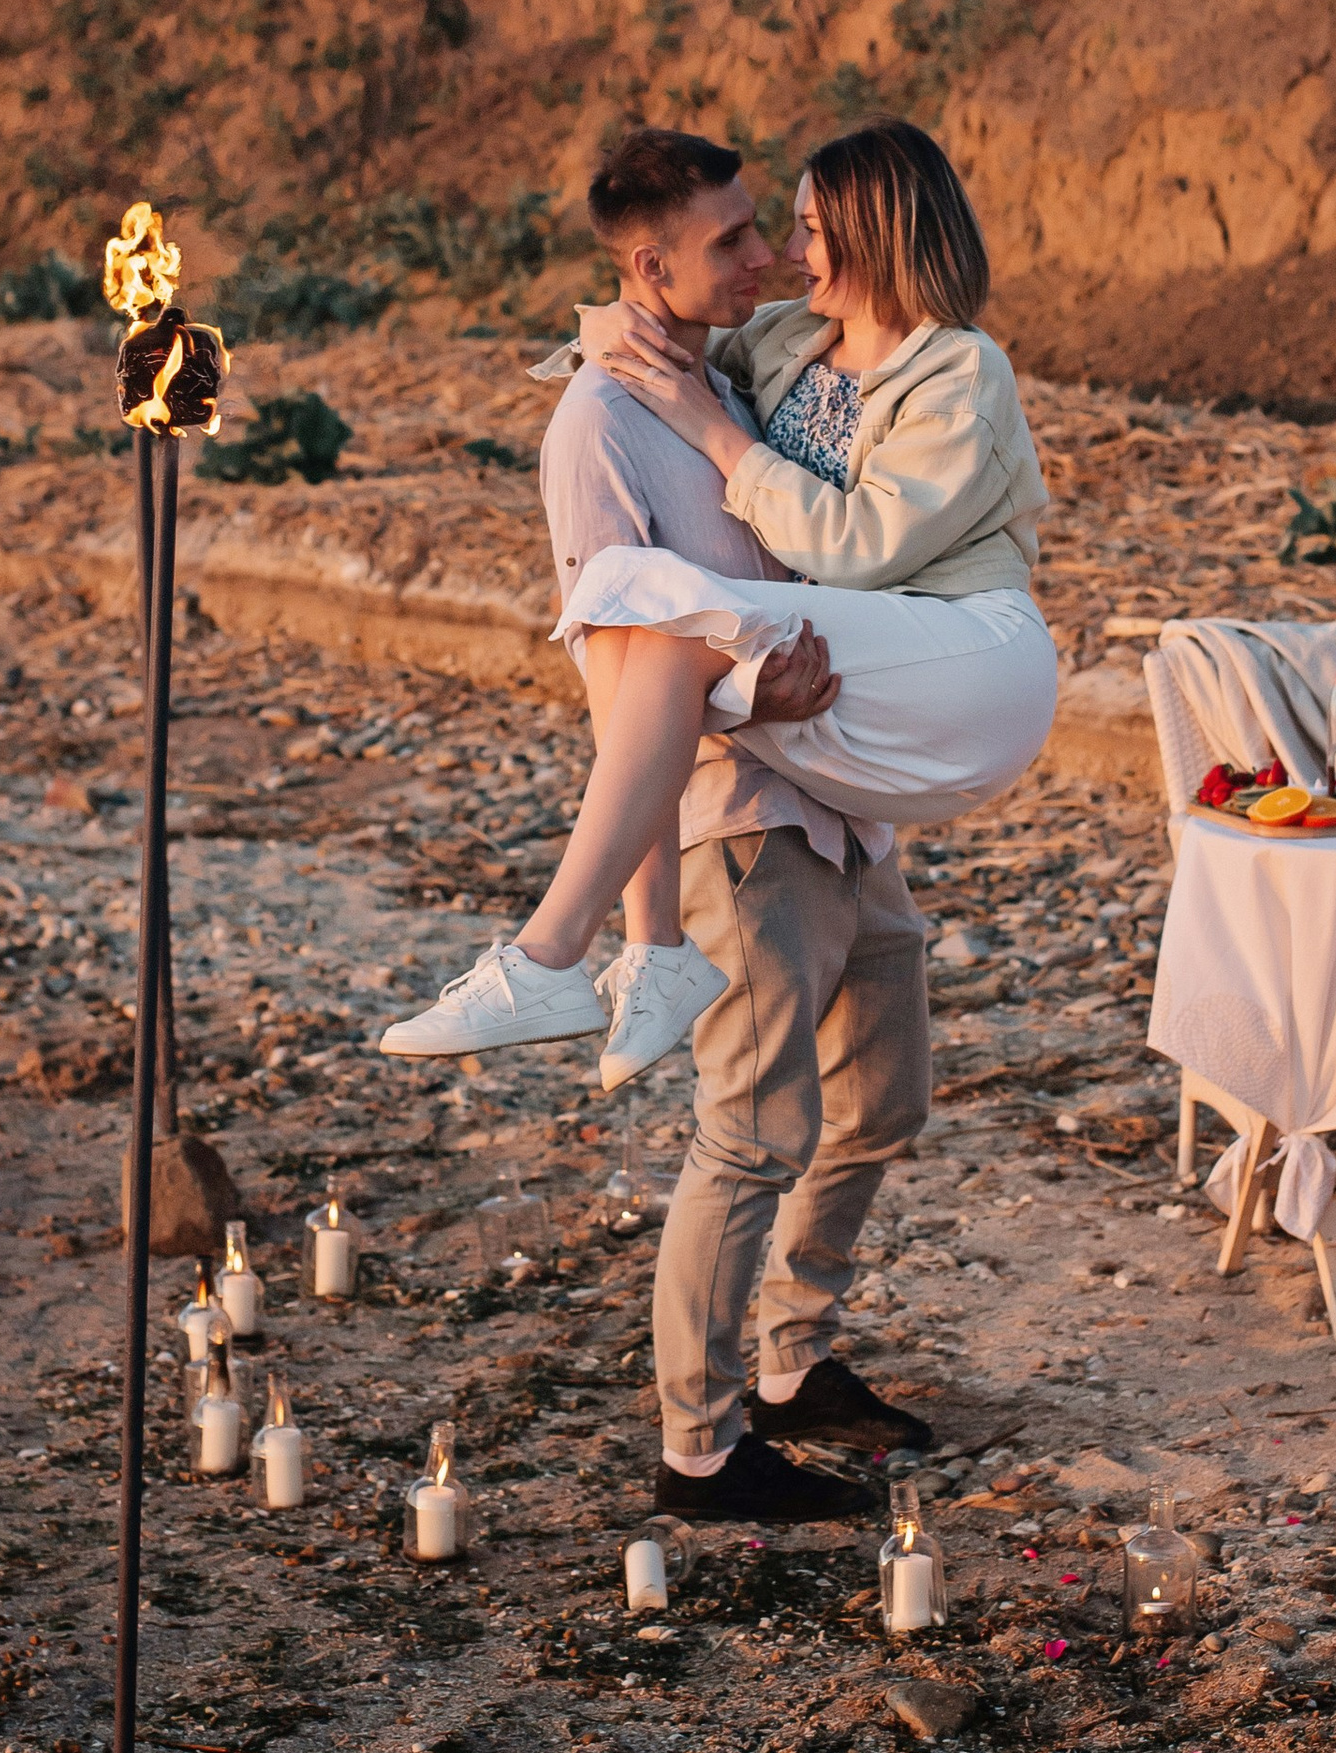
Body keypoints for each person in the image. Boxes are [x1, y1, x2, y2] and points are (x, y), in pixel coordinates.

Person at [383, 118, 1058, 1516]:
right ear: (655, 265)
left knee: (884, 1096)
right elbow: (618, 654)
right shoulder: (602, 423)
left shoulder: (756, 363)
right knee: (751, 1130)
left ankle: (794, 1360)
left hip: (843, 788)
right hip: (744, 811)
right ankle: (699, 1445)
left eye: (786, 228)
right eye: (743, 237)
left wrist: (688, 382)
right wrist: (742, 705)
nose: (773, 257)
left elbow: (832, 535)